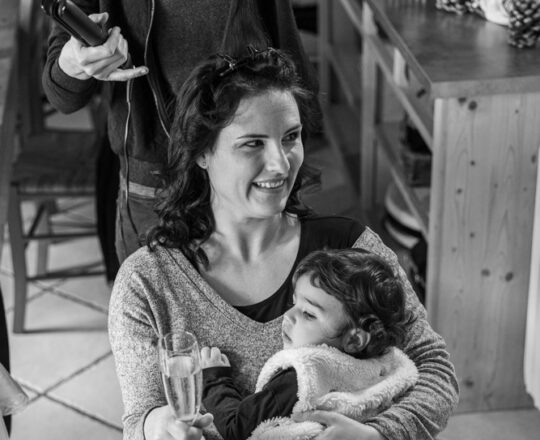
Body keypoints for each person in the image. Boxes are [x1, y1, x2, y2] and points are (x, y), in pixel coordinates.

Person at [108, 48, 459, 440]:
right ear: (203, 152)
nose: (280, 163)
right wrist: (158, 426)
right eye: (253, 143)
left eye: (290, 137)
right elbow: (139, 418)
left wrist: (378, 436)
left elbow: (435, 370)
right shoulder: (147, 283)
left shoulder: (353, 251)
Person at [42, 0, 318, 264]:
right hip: (155, 183)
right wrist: (75, 64)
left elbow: (289, 59)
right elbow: (60, 92)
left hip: (256, 166)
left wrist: (288, 142)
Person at [200, 248, 420, 440]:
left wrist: (215, 379)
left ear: (354, 340)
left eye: (308, 314)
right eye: (294, 303)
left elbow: (236, 428)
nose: (288, 315)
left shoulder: (301, 377)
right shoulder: (386, 366)